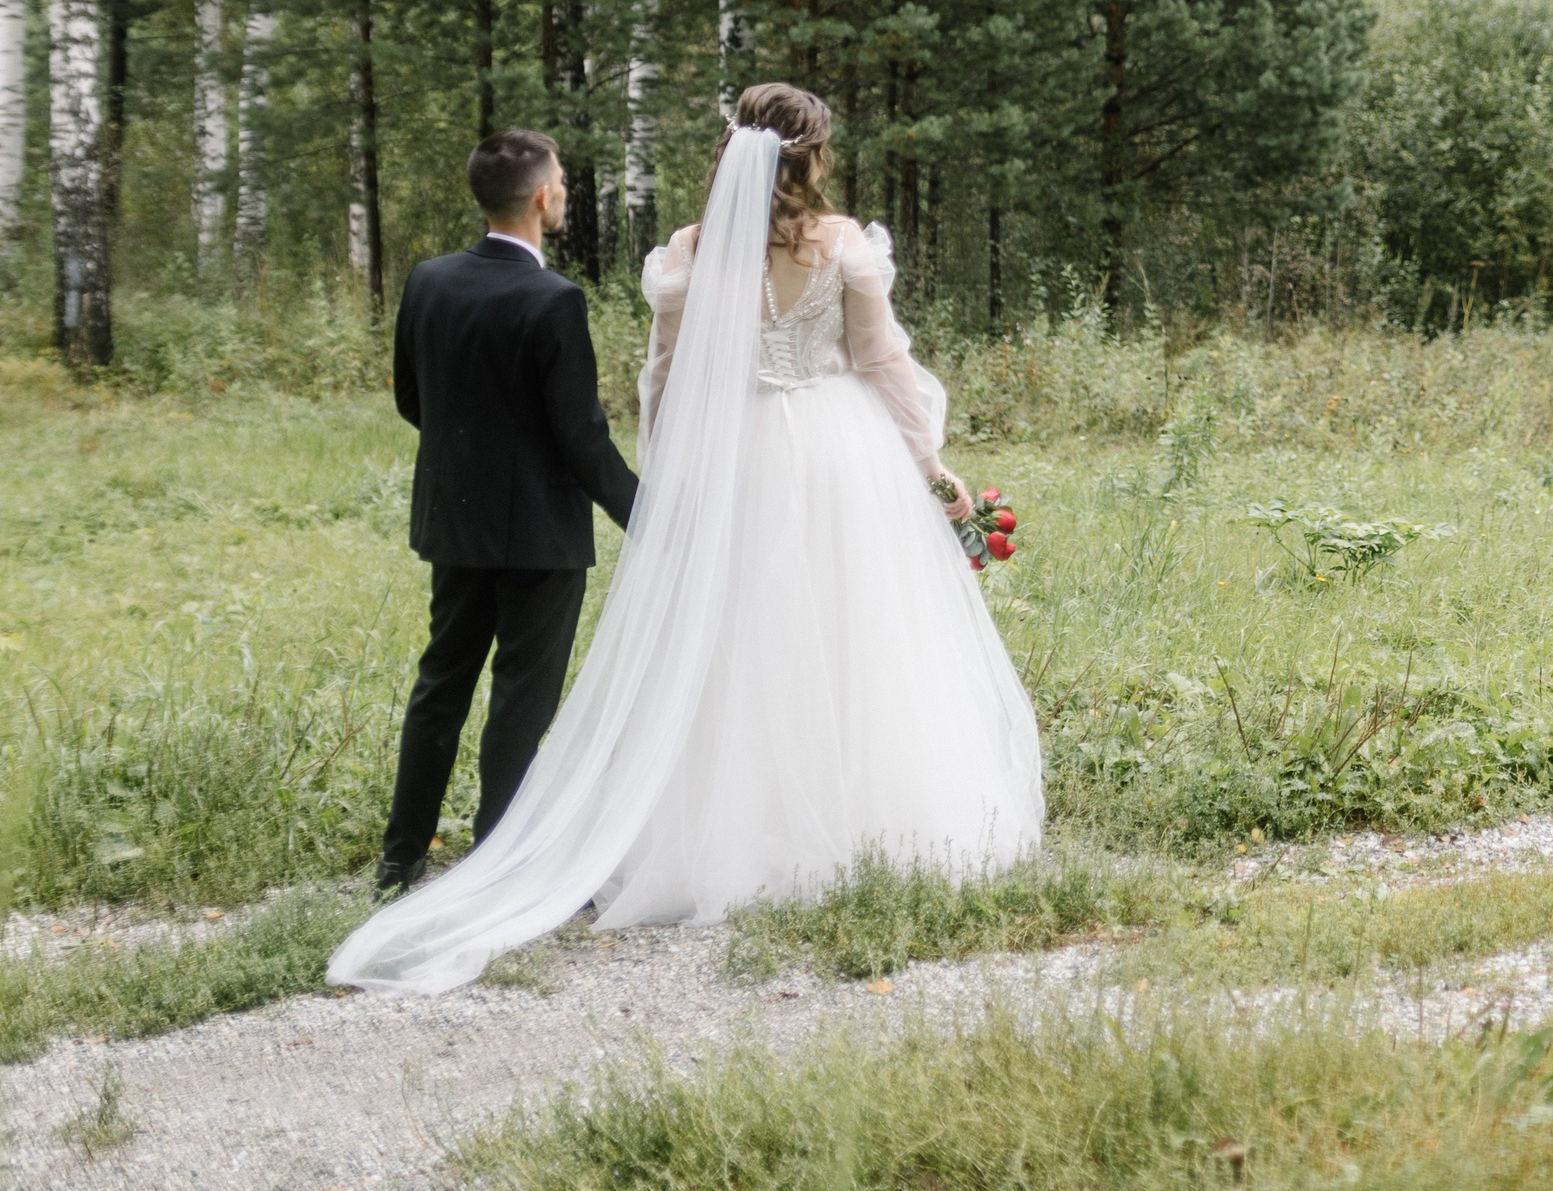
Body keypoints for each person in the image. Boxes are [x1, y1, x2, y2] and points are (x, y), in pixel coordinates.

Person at [329, 84, 1044, 993]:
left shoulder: (688, 254)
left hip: (731, 462)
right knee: (851, 633)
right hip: (838, 458)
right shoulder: (843, 247)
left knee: (729, 643)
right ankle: (857, 824)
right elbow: (883, 363)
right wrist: (931, 466)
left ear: (733, 151)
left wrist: (669, 483)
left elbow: (663, 381)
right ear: (813, 155)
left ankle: (708, 832)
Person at [376, 130, 639, 895]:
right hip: (540, 538)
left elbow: (412, 399)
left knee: (441, 685)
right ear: (542, 197)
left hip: (455, 523)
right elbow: (583, 439)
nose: (564, 192)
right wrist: (651, 517)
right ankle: (497, 862)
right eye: (562, 183)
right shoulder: (554, 300)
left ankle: (401, 858)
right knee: (521, 699)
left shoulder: (429, 281)